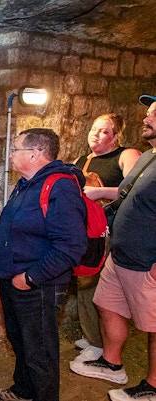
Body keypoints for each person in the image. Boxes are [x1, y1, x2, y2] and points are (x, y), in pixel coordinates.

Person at [0, 128, 87, 401]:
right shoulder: (27, 183)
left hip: (37, 286)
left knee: (40, 352)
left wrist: (30, 278)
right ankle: (23, 391)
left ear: (34, 154)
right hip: (14, 280)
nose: (10, 154)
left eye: (16, 148)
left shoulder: (60, 187)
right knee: (22, 343)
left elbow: (71, 247)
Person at [69, 95, 156, 401]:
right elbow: (124, 194)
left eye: (153, 114)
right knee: (106, 303)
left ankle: (153, 386)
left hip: (146, 258)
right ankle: (111, 362)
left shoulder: (132, 153)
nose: (145, 119)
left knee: (154, 323)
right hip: (121, 252)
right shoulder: (149, 157)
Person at [70, 114, 140, 364]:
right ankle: (92, 337)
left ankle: (101, 345)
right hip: (85, 229)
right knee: (84, 283)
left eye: (103, 131)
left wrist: (100, 192)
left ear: (116, 136)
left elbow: (134, 189)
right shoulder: (83, 160)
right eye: (93, 129)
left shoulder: (126, 155)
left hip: (108, 231)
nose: (96, 135)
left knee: (99, 289)